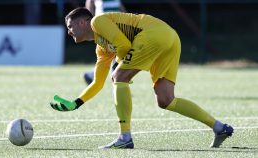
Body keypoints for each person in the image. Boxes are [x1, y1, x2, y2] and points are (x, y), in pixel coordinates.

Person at [50, 7, 234, 149]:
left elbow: (123, 44)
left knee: (118, 77)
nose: (69, 32)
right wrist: (76, 103)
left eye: (70, 26)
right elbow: (98, 82)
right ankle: (219, 127)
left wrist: (119, 69)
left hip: (153, 35)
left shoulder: (97, 22)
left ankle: (125, 138)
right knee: (165, 100)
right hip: (170, 38)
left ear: (83, 22)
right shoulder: (102, 48)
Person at [84, 0, 126, 85]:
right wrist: (89, 21)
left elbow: (119, 4)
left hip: (116, 23)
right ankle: (117, 82)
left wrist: (126, 17)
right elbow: (90, 2)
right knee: (115, 52)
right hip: (103, 23)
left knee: (112, 53)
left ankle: (92, 75)